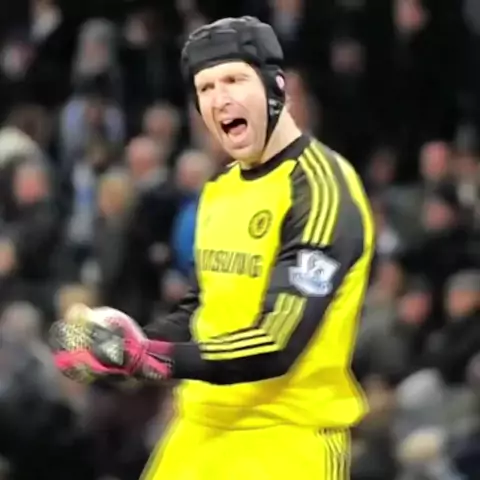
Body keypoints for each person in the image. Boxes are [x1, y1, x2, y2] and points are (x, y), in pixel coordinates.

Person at [50, 16, 375, 480]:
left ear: (276, 87)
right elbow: (203, 309)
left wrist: (149, 356)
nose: (220, 99)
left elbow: (275, 343)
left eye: (234, 80)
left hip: (286, 439)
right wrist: (117, 345)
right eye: (205, 88)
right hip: (199, 428)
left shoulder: (320, 189)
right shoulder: (221, 190)